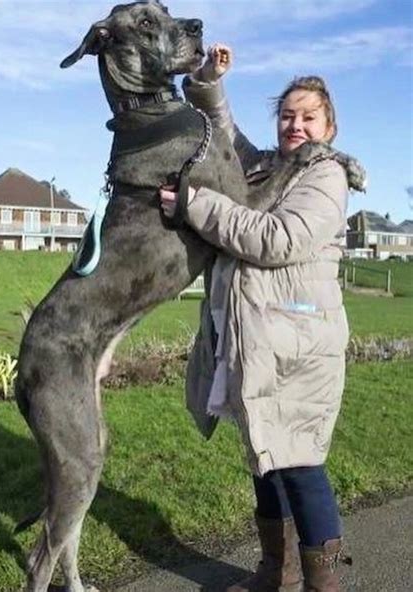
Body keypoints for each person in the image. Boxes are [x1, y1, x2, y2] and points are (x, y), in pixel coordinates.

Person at [159, 45, 366, 592]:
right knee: (265, 457)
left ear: (330, 125)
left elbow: (279, 240)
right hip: (256, 344)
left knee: (300, 466)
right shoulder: (265, 168)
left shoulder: (326, 178)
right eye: (287, 115)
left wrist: (193, 204)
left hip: (300, 347)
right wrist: (207, 81)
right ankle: (279, 574)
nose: (295, 125)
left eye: (308, 116)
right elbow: (224, 133)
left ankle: (323, 585)